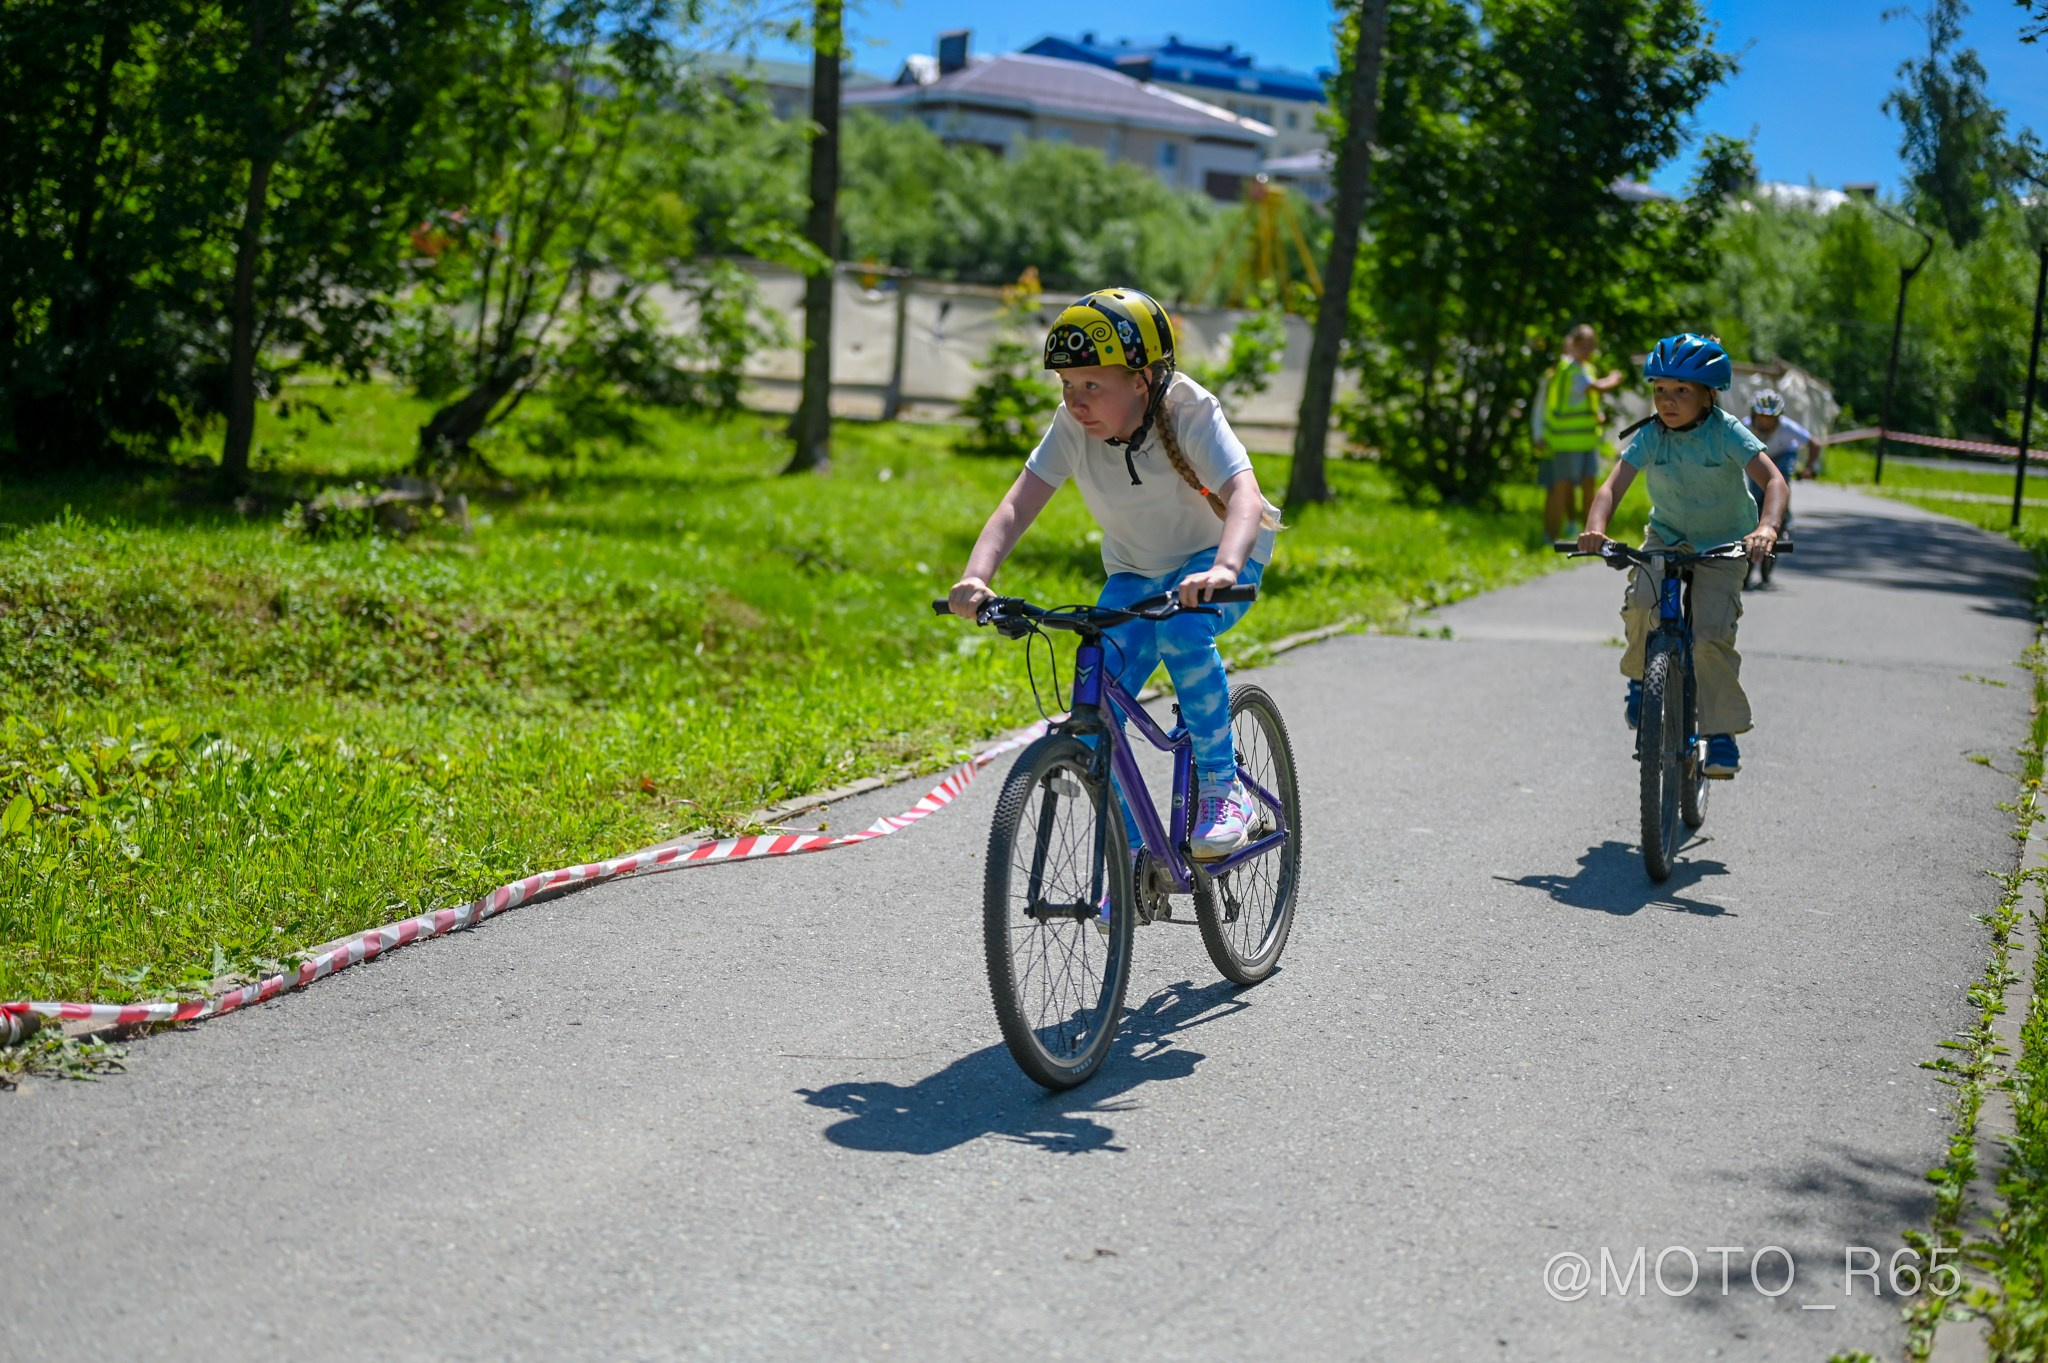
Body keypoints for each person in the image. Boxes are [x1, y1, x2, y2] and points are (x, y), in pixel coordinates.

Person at [947, 287, 1283, 857]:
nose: (1076, 401)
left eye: (1092, 385)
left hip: (1221, 560)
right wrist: (976, 577)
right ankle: (1131, 853)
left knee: (1181, 631)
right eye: (1067, 385)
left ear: (1142, 379)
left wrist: (1225, 569)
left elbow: (1244, 496)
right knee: (1097, 695)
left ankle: (1225, 792)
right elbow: (1017, 505)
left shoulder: (1190, 410)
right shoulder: (1072, 426)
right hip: (1138, 572)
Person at [1576, 333, 1788, 779]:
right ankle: (1641, 680)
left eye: (1681, 392)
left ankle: (1722, 732)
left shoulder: (1727, 432)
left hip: (1725, 543)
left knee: (1710, 635)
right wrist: (1596, 528)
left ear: (1709, 395)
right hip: (1668, 536)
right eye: (1660, 391)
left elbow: (1774, 482)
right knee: (1640, 604)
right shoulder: (1652, 435)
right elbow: (1613, 485)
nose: (1667, 402)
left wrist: (1766, 527)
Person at [1534, 324, 1626, 542]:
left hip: (1586, 440)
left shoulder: (1586, 368)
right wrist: (1615, 377)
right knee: (1561, 489)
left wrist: (1596, 415)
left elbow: (1584, 399)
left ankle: (1590, 536)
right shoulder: (1571, 369)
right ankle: (1551, 536)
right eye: (1583, 346)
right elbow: (1597, 387)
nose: (1588, 350)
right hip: (1566, 441)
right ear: (1572, 346)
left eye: (1591, 346)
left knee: (1588, 489)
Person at [1745, 388, 1821, 527]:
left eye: (1771, 419)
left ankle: (1784, 516)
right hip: (1758, 456)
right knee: (1755, 493)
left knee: (1781, 481)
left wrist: (1809, 467)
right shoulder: (1744, 426)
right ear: (1753, 415)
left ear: (1778, 418)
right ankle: (1755, 522)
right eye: (1761, 417)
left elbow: (1814, 443)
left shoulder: (1787, 427)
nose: (1765, 423)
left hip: (1783, 453)